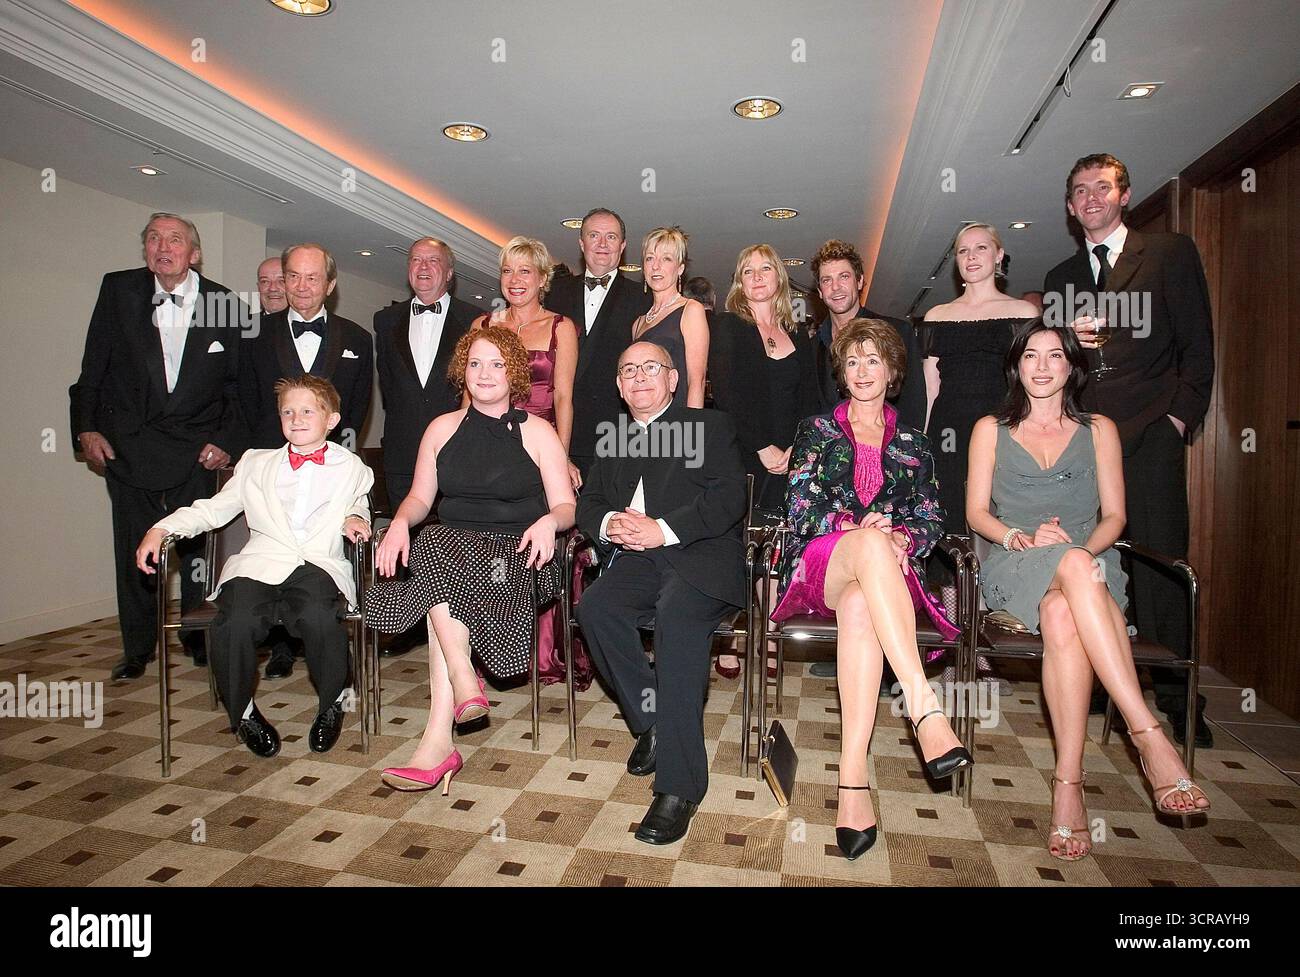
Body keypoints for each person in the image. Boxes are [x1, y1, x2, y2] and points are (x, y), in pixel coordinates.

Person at [966, 322, 1209, 860]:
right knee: (1069, 577)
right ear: (1017, 366)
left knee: (1063, 616)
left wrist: (1079, 551)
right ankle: (1146, 734)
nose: (1043, 365)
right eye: (1031, 355)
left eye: (1055, 355)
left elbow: (1116, 517)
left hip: (1093, 568)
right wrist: (1020, 536)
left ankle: (1067, 788)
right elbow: (976, 513)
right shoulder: (990, 428)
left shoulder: (1100, 428)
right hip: (1017, 562)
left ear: (1073, 367)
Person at [771, 319, 969, 861]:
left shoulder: (915, 443)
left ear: (892, 370)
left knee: (864, 600)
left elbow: (932, 515)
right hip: (822, 565)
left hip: (884, 578)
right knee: (865, 551)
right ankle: (925, 706)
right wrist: (860, 531)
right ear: (842, 372)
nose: (862, 371)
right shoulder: (816, 430)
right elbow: (801, 507)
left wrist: (902, 535)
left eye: (873, 360)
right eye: (852, 361)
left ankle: (851, 779)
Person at [1044, 153, 1215, 746]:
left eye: (1102, 188)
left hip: (1149, 435)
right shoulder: (1062, 277)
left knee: (1159, 560)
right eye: (1080, 191)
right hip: (1085, 440)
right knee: (1088, 558)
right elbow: (1055, 363)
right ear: (1070, 207)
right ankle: (1092, 685)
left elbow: (1198, 348)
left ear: (1125, 194)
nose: (1091, 198)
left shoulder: (1169, 253)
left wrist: (1176, 420)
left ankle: (1175, 697)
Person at [366, 327, 575, 793]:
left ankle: (444, 729)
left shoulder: (538, 431)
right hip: (453, 554)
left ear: (514, 373)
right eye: (476, 363)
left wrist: (548, 522)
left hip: (514, 558)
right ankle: (446, 723)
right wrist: (399, 520)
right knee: (434, 542)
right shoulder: (441, 429)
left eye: (497, 364)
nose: (485, 373)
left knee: (435, 563)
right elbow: (421, 497)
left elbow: (566, 507)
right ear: (464, 369)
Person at [135, 375, 373, 757]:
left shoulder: (352, 467)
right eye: (288, 411)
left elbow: (356, 503)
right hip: (260, 562)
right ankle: (243, 712)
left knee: (318, 616)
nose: (296, 418)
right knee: (234, 621)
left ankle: (331, 705)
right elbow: (213, 510)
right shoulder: (254, 463)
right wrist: (161, 529)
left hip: (317, 562)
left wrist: (355, 519)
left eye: (307, 411)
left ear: (331, 420)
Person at [577, 341, 748, 845]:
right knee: (597, 609)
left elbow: (729, 496)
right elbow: (592, 502)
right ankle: (651, 719)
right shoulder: (612, 437)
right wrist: (610, 523)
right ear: (618, 386)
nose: (639, 377)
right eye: (628, 370)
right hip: (638, 559)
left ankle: (679, 787)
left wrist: (664, 529)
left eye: (651, 368)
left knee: (675, 623)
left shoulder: (709, 428)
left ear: (674, 380)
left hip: (700, 556)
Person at [70, 213, 249, 680]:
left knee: (196, 550)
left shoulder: (224, 303)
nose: (162, 246)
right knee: (132, 549)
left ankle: (195, 636)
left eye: (174, 240)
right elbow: (93, 368)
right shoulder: (119, 290)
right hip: (128, 447)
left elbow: (237, 386)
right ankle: (137, 647)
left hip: (196, 450)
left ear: (194, 253)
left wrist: (224, 442)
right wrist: (86, 429)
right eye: (153, 238)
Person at [240, 243, 374, 678]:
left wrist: (336, 456)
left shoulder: (357, 338)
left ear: (330, 285)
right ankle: (279, 646)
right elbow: (245, 402)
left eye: (312, 277)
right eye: (292, 276)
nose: (300, 286)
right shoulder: (253, 333)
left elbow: (356, 406)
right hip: (272, 464)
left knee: (323, 558)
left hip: (330, 464)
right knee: (276, 549)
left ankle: (329, 645)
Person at [473, 236, 592, 689]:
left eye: (526, 271)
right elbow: (471, 394)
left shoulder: (561, 326)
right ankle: (489, 651)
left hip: (540, 447)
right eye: (508, 271)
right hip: (490, 449)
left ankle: (546, 655)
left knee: (545, 551)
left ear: (542, 278)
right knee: (487, 549)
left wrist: (560, 460)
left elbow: (563, 396)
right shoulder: (484, 323)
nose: (515, 280)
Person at [709, 244, 821, 679]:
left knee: (775, 546)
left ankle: (771, 632)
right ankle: (732, 637)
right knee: (737, 545)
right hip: (742, 454)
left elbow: (810, 400)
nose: (757, 277)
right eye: (748, 270)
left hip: (790, 457)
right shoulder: (729, 326)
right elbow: (729, 394)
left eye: (765, 269)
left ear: (779, 278)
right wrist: (761, 447)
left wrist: (797, 446)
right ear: (740, 279)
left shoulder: (800, 333)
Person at [373, 238, 476, 659]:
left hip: (455, 448)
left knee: (453, 536)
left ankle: (459, 619)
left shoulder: (474, 318)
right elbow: (386, 388)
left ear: (449, 273)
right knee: (406, 535)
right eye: (416, 260)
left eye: (434, 261)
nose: (424, 267)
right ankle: (408, 622)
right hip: (400, 449)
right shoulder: (385, 320)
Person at [921, 223, 1038, 536]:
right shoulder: (936, 316)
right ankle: (951, 587)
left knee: (1004, 518)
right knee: (949, 517)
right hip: (947, 432)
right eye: (963, 251)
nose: (971, 256)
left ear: (999, 255)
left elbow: (1033, 381)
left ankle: (1001, 586)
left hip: (1004, 430)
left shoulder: (1022, 312)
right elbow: (931, 389)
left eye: (981, 248)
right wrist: (922, 442)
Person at [546, 208, 650, 478]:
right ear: (581, 244)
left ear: (623, 246)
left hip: (619, 436)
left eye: (611, 237)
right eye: (594, 235)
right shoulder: (553, 294)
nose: (602, 244)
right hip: (558, 431)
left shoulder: (643, 300)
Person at [811, 240, 925, 427]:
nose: (836, 286)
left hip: (887, 449)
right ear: (820, 292)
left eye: (844, 277)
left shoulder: (897, 332)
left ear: (860, 281)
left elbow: (914, 401)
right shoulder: (813, 347)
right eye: (826, 280)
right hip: (830, 452)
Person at [630, 226, 709, 409]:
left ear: (680, 268)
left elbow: (697, 380)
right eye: (650, 258)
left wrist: (692, 431)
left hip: (678, 421)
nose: (656, 266)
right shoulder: (638, 323)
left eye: (666, 259)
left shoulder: (691, 310)